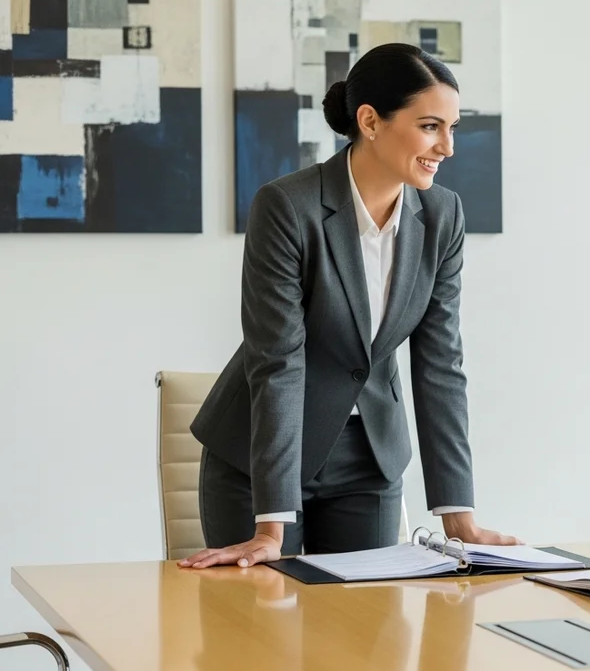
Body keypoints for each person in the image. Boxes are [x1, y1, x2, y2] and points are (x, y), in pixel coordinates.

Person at [180, 43, 517, 569]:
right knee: (259, 636)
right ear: (370, 121)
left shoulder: (442, 215)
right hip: (259, 465)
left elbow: (440, 363)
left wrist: (460, 517)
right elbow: (279, 363)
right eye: (431, 126)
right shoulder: (289, 207)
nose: (447, 146)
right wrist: (272, 527)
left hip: (371, 460)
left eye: (453, 127)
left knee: (367, 641)